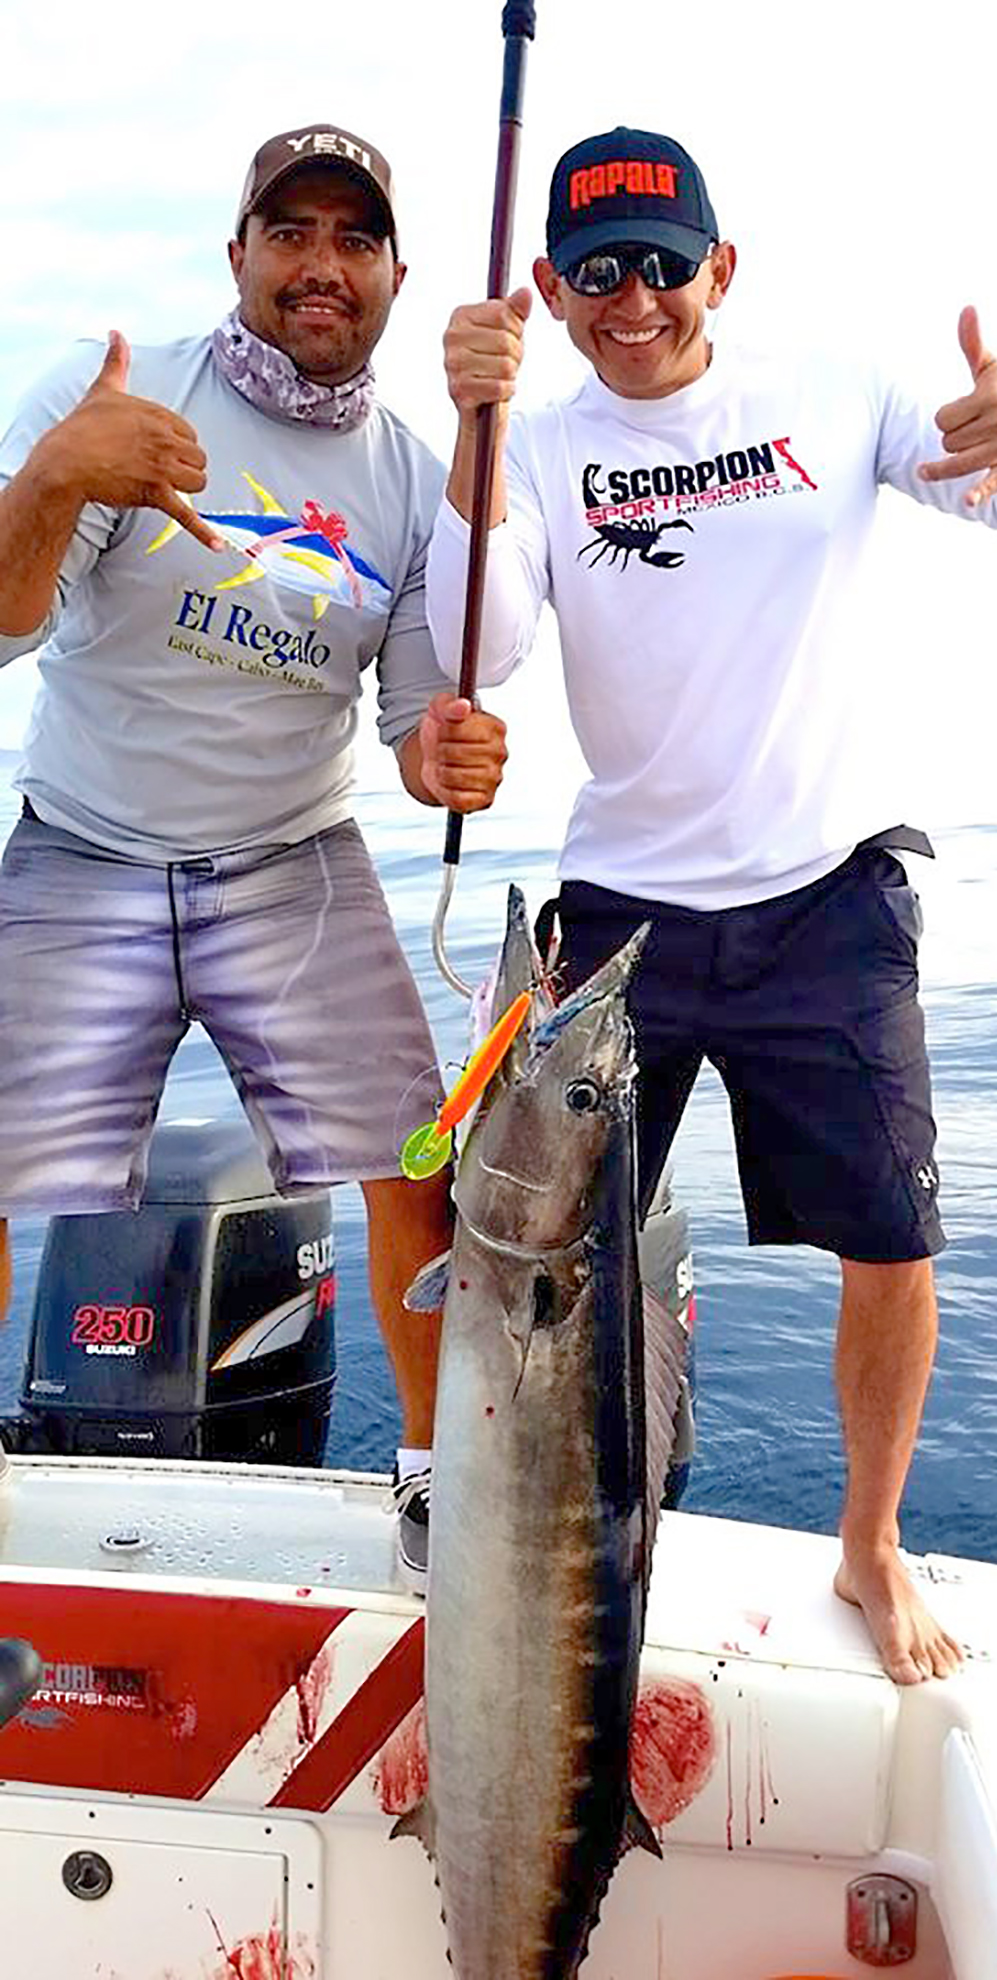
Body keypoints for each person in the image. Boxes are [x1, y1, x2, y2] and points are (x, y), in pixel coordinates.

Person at [426, 126, 997, 1682]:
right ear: (549, 290)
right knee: (533, 1255)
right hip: (619, 913)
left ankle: (867, 1543)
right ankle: (530, 1534)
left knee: (891, 1243)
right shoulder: (539, 440)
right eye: (597, 272)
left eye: (663, 263)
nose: (632, 299)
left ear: (720, 267)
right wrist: (474, 428)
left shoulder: (832, 389)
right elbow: (488, 642)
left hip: (826, 900)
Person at [0, 122, 509, 1590]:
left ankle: (438, 1480)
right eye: (290, 233)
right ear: (238, 255)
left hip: (292, 859)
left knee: (417, 1161)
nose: (321, 264)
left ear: (397, 275)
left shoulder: (414, 481)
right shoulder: (115, 390)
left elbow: (413, 723)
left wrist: (448, 756)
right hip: (85, 844)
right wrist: (54, 477)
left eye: (354, 239)